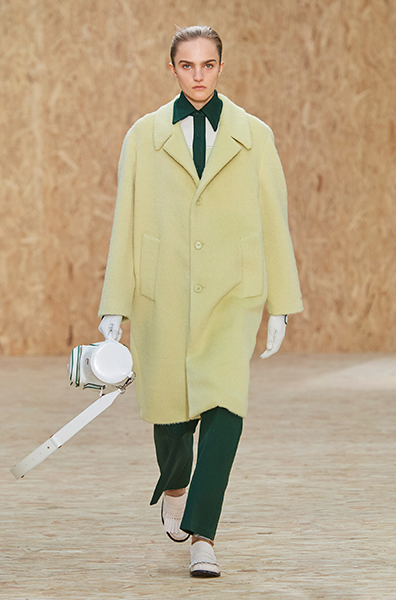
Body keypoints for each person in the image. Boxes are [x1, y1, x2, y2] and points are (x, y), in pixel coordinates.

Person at [98, 25, 303, 578]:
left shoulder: (254, 135)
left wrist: (281, 302)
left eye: (207, 64)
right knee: (169, 415)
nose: (198, 75)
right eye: (186, 65)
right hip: (162, 292)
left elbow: (274, 218)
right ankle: (174, 484)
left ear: (220, 67)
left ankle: (203, 537)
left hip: (233, 292)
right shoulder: (143, 135)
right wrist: (114, 303)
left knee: (225, 411)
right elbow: (125, 221)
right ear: (172, 69)